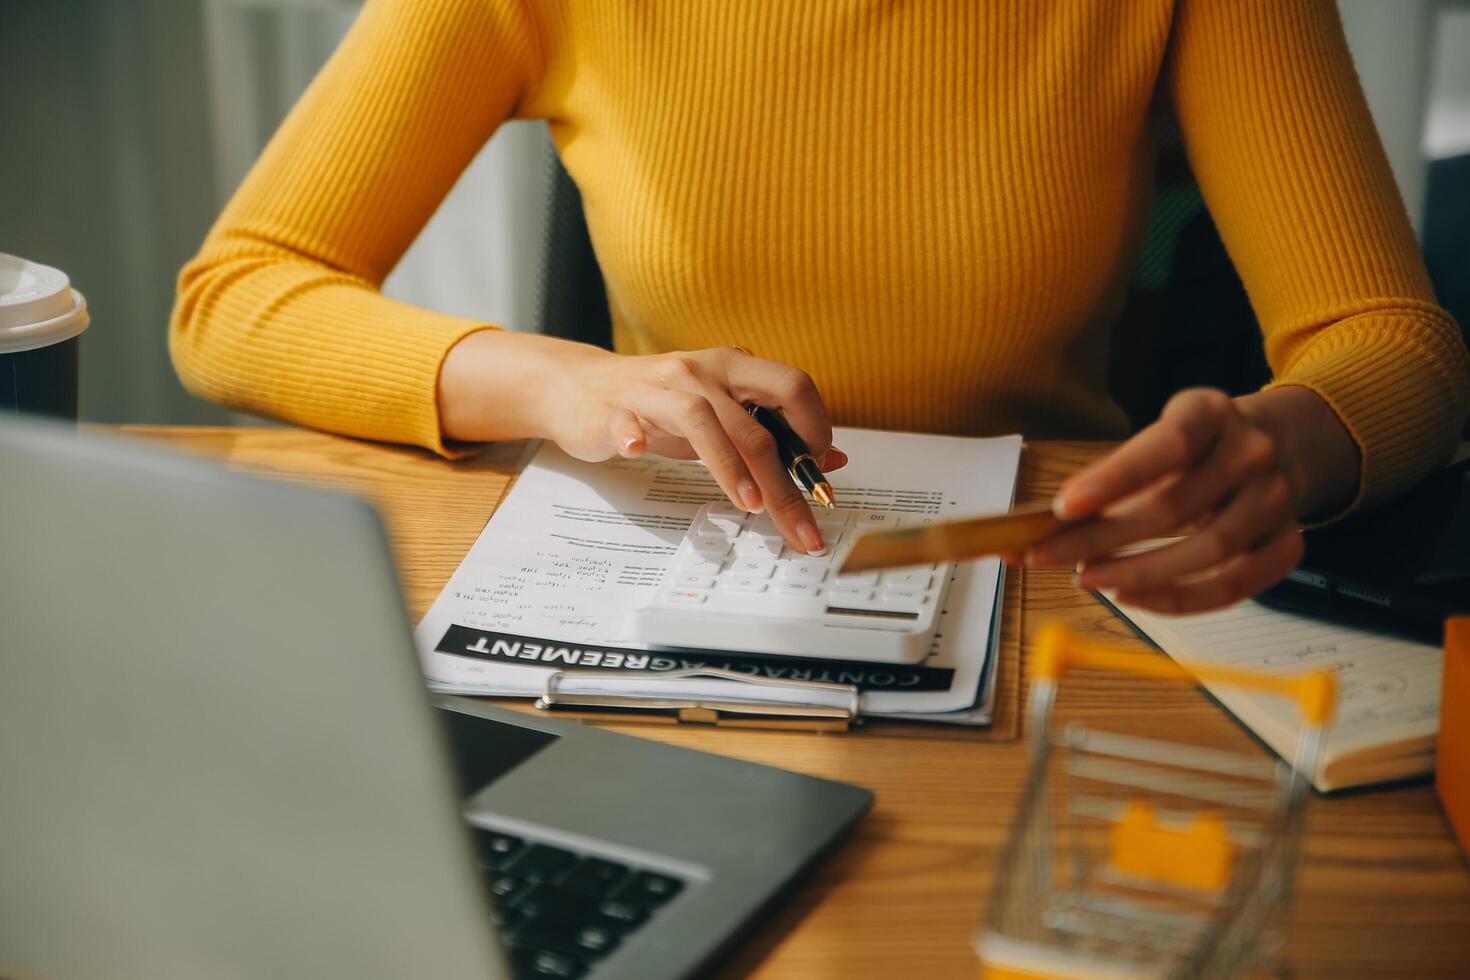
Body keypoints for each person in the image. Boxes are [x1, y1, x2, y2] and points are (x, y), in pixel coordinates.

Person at [171, 0, 1469, 614]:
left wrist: (1279, 446)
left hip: (1053, 586)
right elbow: (236, 297)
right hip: (676, 587)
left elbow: (1393, 344)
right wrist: (562, 382)